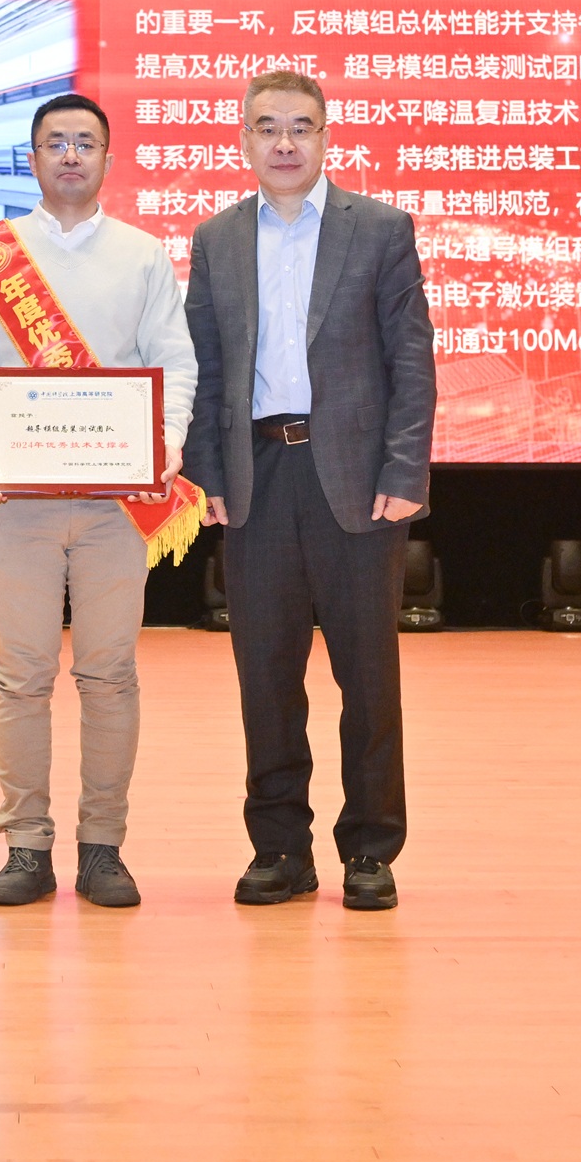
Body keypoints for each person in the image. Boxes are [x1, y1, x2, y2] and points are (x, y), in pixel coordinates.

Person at [183, 69, 436, 912]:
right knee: (265, 678)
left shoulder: (381, 229)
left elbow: (411, 361)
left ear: (326, 137)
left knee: (368, 677)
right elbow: (205, 367)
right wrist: (206, 476)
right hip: (257, 478)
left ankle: (370, 848)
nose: (284, 142)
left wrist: (404, 473)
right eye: (267, 127)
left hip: (357, 484)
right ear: (244, 140)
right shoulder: (217, 238)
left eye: (301, 126)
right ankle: (280, 848)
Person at [0, 94, 197, 908]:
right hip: (15, 501)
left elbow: (174, 360)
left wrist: (163, 444)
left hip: (115, 503)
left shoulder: (143, 256)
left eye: (86, 142)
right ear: (33, 159)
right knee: (20, 678)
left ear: (108, 160)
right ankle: (25, 845)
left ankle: (103, 847)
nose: (71, 155)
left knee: (109, 676)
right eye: (56, 142)